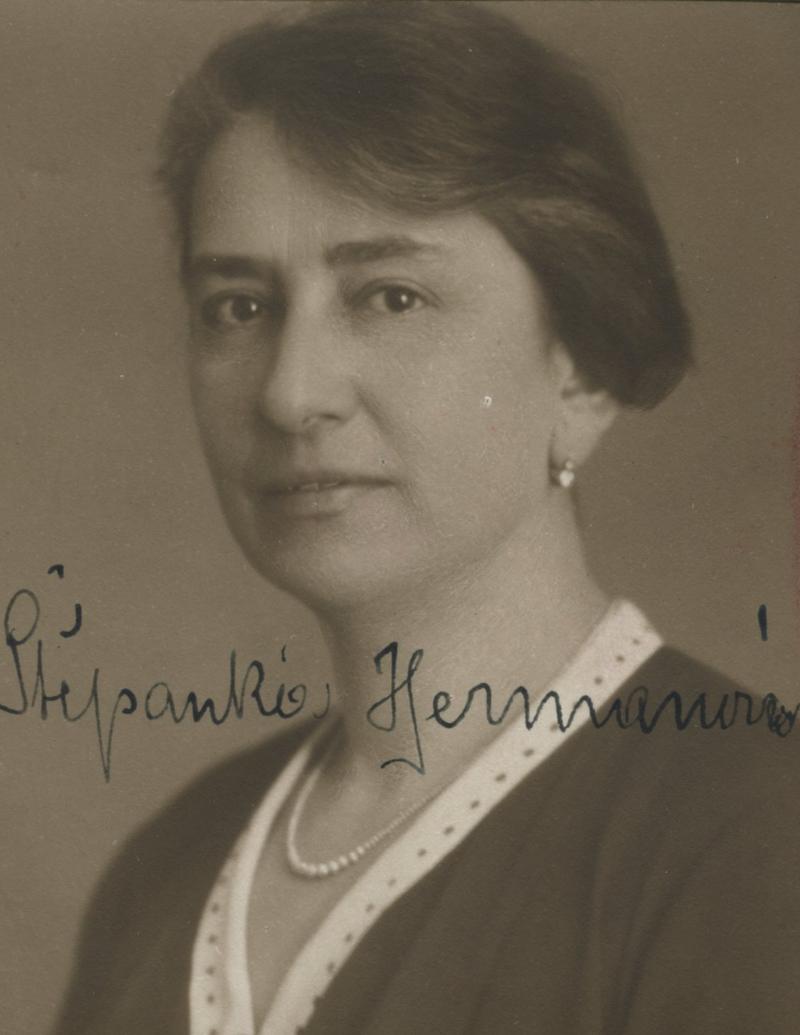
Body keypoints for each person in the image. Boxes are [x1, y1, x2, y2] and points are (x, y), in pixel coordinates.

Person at [53, 3, 800, 1033]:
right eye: (240, 306)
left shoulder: (748, 832)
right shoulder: (168, 868)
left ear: (580, 368)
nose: (291, 393)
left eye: (391, 297)